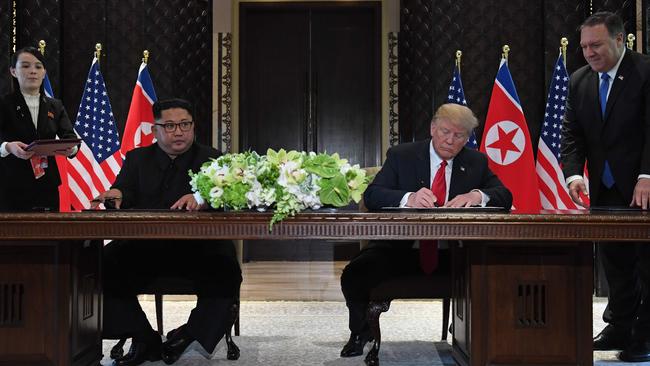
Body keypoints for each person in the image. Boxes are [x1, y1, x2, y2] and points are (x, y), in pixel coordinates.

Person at [340, 103, 512, 357]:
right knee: (354, 274)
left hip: (455, 253)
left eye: (458, 136)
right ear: (433, 128)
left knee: (498, 271)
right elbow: (373, 195)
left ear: (466, 138)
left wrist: (477, 195)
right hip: (400, 250)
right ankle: (360, 331)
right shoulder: (402, 155)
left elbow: (505, 196)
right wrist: (408, 198)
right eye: (445, 132)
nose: (450, 140)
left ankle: (478, 332)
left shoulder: (475, 161)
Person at [93, 98, 242, 366]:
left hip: (199, 249)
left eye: (185, 124)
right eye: (170, 125)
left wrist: (203, 198)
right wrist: (116, 194)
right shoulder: (138, 158)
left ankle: (187, 335)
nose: (178, 132)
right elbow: (124, 191)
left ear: (193, 127)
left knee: (228, 269)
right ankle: (143, 336)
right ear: (155, 130)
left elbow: (229, 200)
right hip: (145, 247)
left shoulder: (212, 158)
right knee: (99, 265)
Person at [561, 11, 650, 362]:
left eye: (595, 44)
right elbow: (572, 135)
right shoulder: (579, 80)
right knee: (615, 261)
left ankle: (644, 336)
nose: (588, 52)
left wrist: (647, 176)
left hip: (643, 186)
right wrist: (573, 175)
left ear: (619, 39)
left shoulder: (645, 72)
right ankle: (620, 324)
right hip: (604, 187)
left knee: (647, 263)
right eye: (583, 46)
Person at [0, 46, 77, 211]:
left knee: (48, 233)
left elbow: (70, 137)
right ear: (13, 71)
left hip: (47, 185)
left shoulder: (55, 105)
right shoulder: (4, 104)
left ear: (44, 73)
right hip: (11, 184)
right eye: (25, 66)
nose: (33, 71)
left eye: (38, 66)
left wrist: (70, 149)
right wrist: (7, 147)